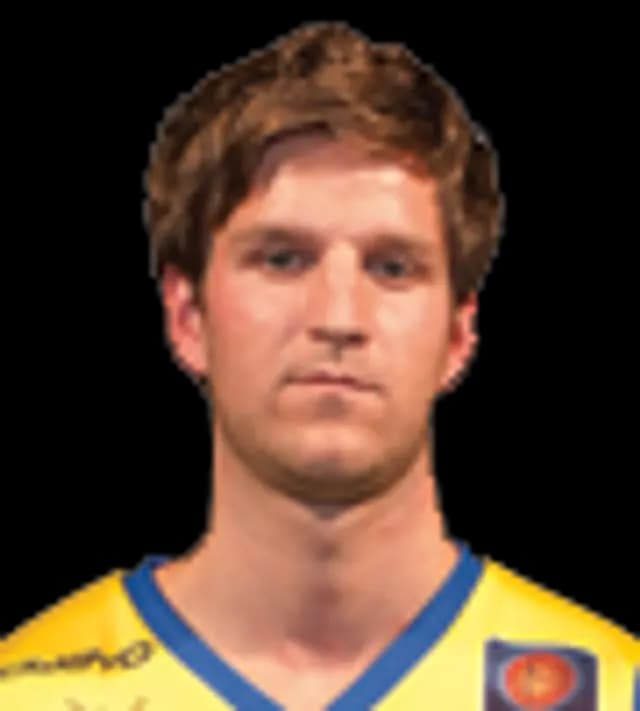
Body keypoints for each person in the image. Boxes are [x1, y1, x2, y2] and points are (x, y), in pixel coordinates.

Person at [1, 21, 638, 711]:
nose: (338, 316)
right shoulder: (29, 694)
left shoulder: (612, 691)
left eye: (392, 267)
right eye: (282, 259)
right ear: (188, 317)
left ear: (459, 334)